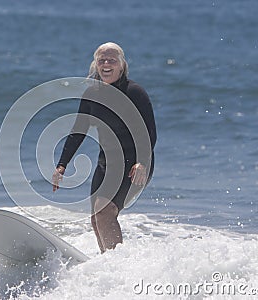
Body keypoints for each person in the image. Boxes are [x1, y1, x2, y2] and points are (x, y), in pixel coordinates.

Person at [52, 42, 157, 253]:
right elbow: (78, 132)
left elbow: (150, 132)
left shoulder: (135, 92)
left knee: (105, 213)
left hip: (135, 164)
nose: (106, 64)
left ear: (121, 65)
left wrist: (142, 163)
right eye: (102, 60)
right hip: (107, 163)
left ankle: (117, 265)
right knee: (96, 218)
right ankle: (109, 263)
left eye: (112, 60)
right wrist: (62, 165)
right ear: (95, 65)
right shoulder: (92, 94)